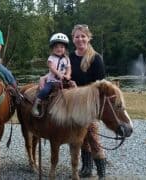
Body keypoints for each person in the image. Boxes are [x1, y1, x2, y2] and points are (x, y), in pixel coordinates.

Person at [39, 25, 106, 179]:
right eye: (77, 36)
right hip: (73, 103)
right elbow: (58, 71)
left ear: (89, 38)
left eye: (83, 36)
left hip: (89, 104)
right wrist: (44, 77)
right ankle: (86, 168)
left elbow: (100, 86)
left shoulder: (96, 58)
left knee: (92, 136)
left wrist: (81, 90)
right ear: (73, 39)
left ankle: (102, 172)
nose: (80, 39)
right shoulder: (70, 58)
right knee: (78, 138)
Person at [32, 33, 71, 116]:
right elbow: (51, 68)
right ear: (52, 48)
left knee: (72, 89)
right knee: (45, 90)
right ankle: (36, 104)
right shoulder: (51, 58)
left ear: (65, 48)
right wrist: (58, 74)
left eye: (61, 47)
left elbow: (69, 68)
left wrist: (68, 75)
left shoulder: (67, 59)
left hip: (63, 81)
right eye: (56, 47)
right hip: (52, 81)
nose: (59, 49)